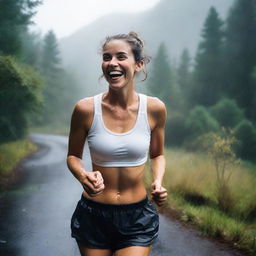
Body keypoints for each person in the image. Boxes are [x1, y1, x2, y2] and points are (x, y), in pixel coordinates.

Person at [67, 31, 167, 256]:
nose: (112, 63)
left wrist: (158, 182)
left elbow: (158, 154)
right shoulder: (85, 109)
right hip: (94, 214)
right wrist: (83, 176)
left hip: (137, 216)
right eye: (106, 57)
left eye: (121, 57)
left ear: (138, 64)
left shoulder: (154, 109)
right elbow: (73, 156)